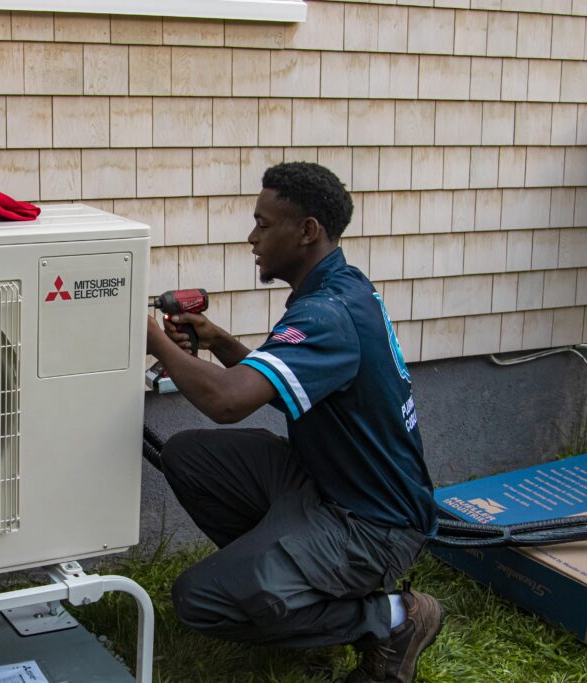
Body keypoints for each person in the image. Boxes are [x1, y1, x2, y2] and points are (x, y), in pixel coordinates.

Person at [145, 162, 442, 683]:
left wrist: (152, 338)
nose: (252, 237)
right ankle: (286, 594)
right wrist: (219, 343)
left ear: (307, 230)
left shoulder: (328, 314)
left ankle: (392, 619)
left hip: (371, 524)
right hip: (327, 486)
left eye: (263, 223)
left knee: (199, 601)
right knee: (188, 456)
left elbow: (229, 404)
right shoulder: (341, 288)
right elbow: (288, 391)